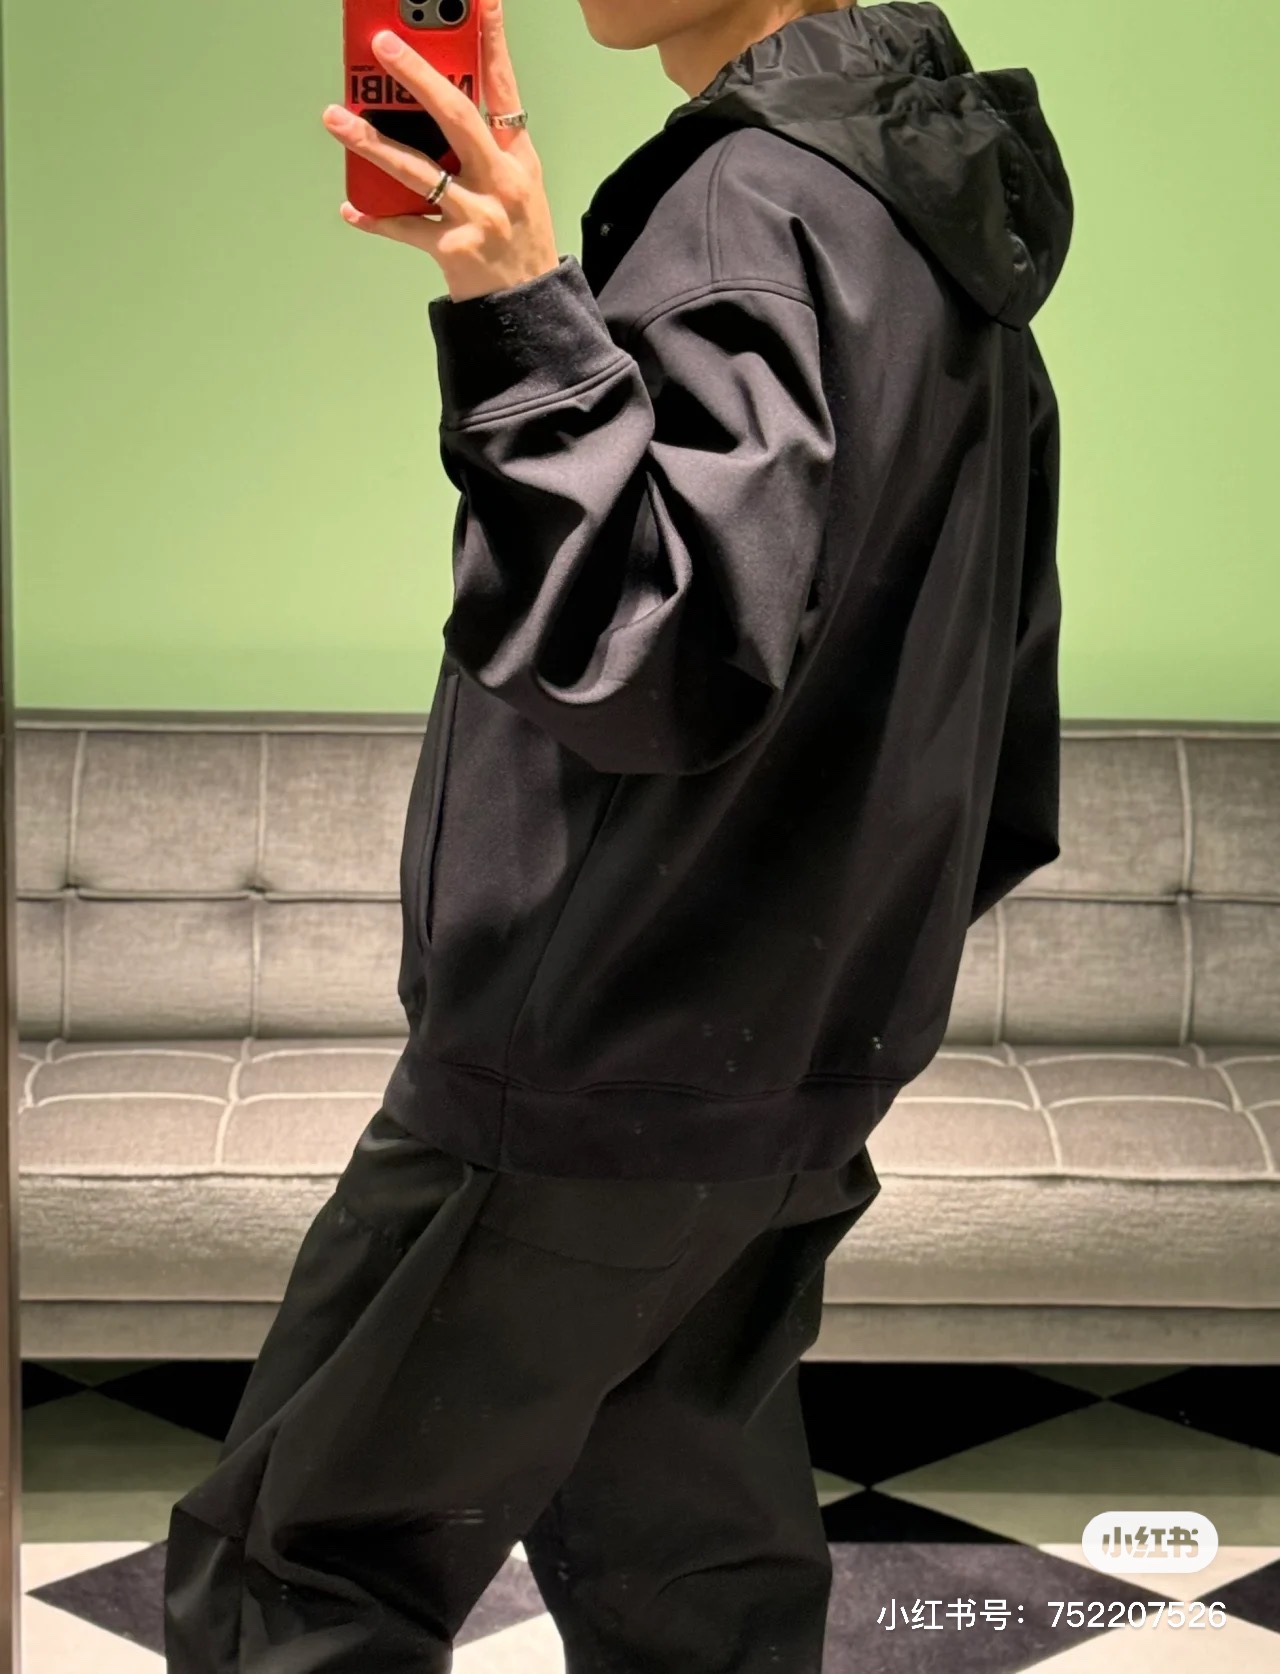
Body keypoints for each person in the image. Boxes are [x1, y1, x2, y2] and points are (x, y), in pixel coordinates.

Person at [164, 1, 1073, 1668]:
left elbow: (650, 656)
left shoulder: (751, 206)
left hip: (589, 1073)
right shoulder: (924, 200)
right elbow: (995, 698)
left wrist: (520, 309)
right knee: (693, 1593)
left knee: (295, 1584)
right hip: (783, 1066)